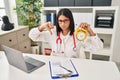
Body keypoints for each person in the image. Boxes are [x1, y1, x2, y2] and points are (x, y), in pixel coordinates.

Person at [29, 8, 103, 58]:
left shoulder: (78, 34)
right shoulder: (52, 32)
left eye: (65, 20)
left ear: (70, 20)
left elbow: (98, 48)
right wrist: (42, 27)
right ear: (57, 21)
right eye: (60, 21)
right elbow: (32, 36)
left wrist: (90, 31)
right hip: (56, 66)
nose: (63, 24)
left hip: (72, 67)